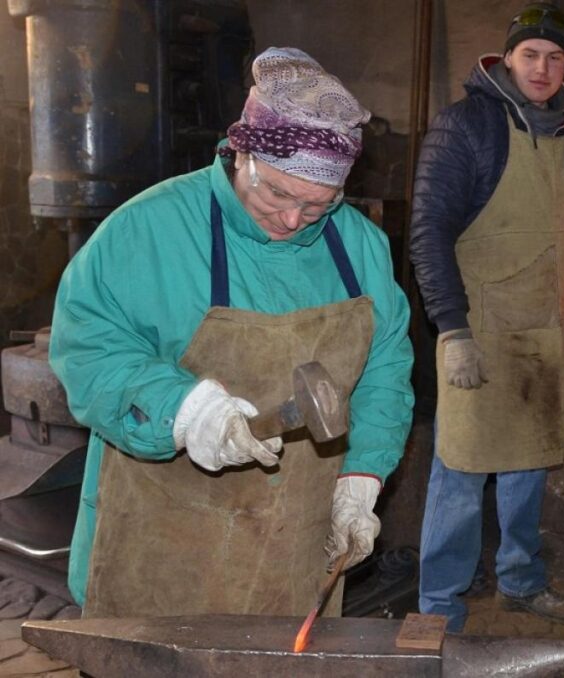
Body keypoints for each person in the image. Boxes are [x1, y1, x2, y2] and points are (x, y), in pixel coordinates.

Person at [48, 47, 414, 617]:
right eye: (277, 193)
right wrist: (184, 410)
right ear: (239, 151)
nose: (292, 220)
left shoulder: (360, 248)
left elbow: (386, 366)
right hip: (162, 545)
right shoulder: (150, 229)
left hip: (293, 550)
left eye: (318, 205)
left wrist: (363, 475)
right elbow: (88, 349)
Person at [409, 2, 564, 632]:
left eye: (556, 58)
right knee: (462, 466)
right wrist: (452, 330)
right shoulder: (466, 124)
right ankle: (437, 609)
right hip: (484, 330)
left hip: (550, 329)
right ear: (506, 58)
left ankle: (521, 581)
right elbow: (427, 232)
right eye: (531, 54)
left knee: (532, 459)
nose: (543, 68)